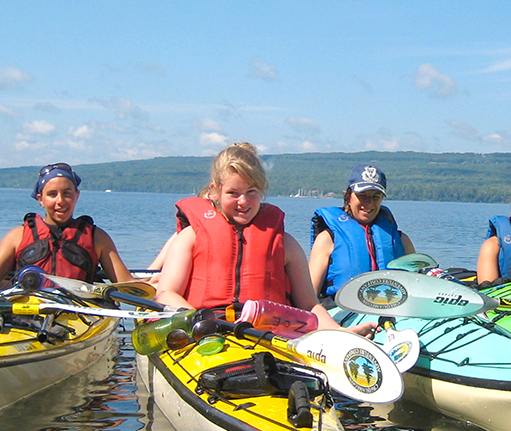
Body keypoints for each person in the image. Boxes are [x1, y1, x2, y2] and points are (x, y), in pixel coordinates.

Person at [155, 143, 373, 335]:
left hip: (267, 336)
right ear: (215, 191)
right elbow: (166, 293)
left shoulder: (285, 243)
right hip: (204, 332)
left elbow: (308, 304)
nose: (243, 201)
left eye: (251, 191)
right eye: (233, 193)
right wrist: (199, 320)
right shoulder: (190, 237)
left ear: (262, 191)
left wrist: (339, 331)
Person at [0, 163, 131, 301]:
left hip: (78, 320)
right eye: (52, 194)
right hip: (26, 319)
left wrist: (155, 285)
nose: (60, 201)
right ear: (40, 199)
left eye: (67, 193)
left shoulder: (97, 238)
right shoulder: (17, 237)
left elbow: (126, 284)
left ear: (77, 196)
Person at [308, 163, 415, 300]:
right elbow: (310, 297)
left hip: (392, 309)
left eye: (376, 196)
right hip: (343, 310)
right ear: (348, 196)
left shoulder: (402, 240)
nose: (369, 203)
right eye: (362, 196)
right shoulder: (327, 238)